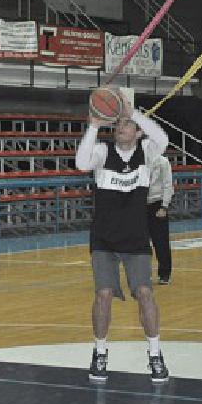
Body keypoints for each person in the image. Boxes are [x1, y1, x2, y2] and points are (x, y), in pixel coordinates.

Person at [75, 89, 170, 383]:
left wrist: (134, 112)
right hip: (103, 238)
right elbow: (81, 163)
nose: (121, 128)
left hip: (136, 239)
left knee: (145, 293)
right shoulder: (103, 153)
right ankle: (100, 352)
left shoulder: (147, 152)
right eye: (118, 125)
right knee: (103, 295)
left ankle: (155, 354)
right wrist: (93, 125)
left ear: (137, 131)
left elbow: (163, 140)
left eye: (126, 125)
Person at [147, 155, 174, 285]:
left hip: (157, 204)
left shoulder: (163, 161)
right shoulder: (136, 161)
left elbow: (168, 184)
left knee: (160, 241)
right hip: (140, 204)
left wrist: (164, 206)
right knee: (140, 242)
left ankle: (164, 273)